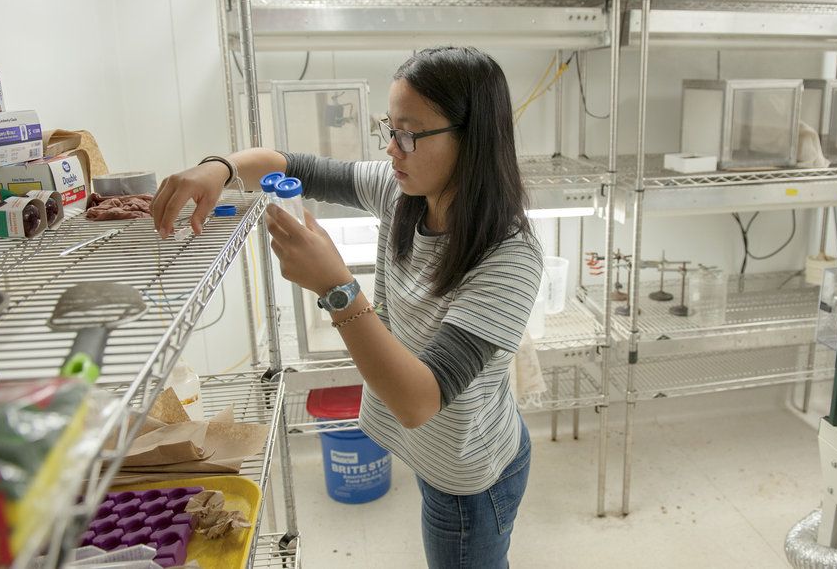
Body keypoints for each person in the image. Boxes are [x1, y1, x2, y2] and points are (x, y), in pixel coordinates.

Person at [151, 46, 543, 568]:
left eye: (408, 133)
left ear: (471, 139)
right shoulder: (405, 196)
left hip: (471, 479)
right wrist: (218, 169)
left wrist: (336, 287)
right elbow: (293, 165)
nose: (391, 149)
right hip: (437, 453)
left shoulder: (509, 257)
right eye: (389, 127)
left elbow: (419, 400)